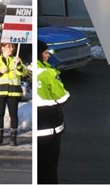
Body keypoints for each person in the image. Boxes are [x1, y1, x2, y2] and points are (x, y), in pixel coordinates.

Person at [36, 40, 69, 184]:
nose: (48, 55)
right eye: (45, 52)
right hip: (50, 130)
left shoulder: (30, 70)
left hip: (38, 130)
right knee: (49, 169)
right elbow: (64, 97)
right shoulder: (47, 73)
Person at [0, 42, 25, 146]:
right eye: (9, 46)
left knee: (14, 115)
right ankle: (0, 137)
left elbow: (22, 73)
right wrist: (0, 72)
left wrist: (18, 65)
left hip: (13, 91)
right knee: (0, 114)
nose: (11, 49)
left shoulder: (17, 59)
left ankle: (13, 138)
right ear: (2, 48)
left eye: (13, 46)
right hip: (0, 91)